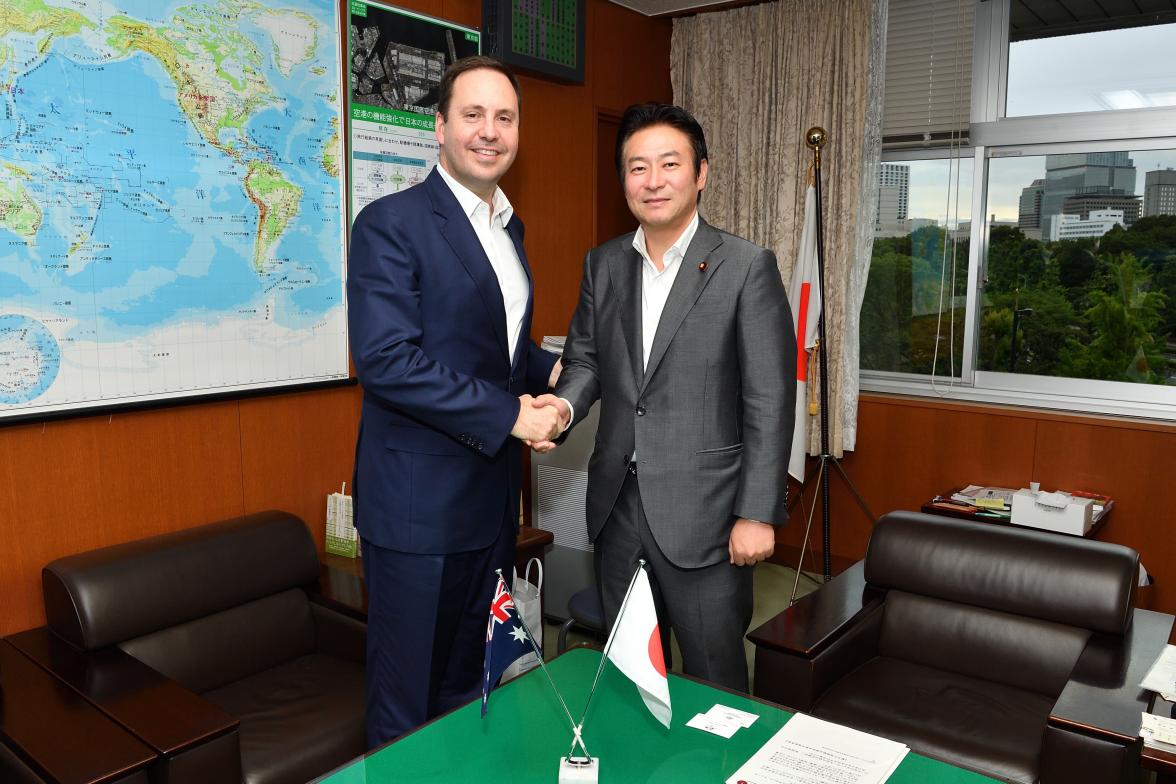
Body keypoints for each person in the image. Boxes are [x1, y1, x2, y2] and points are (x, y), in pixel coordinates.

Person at [537, 103, 796, 692]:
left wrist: (756, 512)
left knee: (714, 680)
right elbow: (586, 360)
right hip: (617, 507)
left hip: (707, 514)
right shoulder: (603, 264)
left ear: (701, 173)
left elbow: (769, 400)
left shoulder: (746, 267)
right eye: (637, 167)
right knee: (630, 676)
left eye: (669, 164)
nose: (653, 181)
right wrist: (563, 407)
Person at [347, 56, 562, 746]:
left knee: (471, 694)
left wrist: (556, 373)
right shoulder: (390, 223)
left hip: (490, 509)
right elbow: (386, 360)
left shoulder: (507, 228)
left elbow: (495, 353)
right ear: (440, 127)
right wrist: (512, 415)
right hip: (418, 517)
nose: (489, 131)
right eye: (473, 115)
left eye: (505, 117)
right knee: (406, 708)